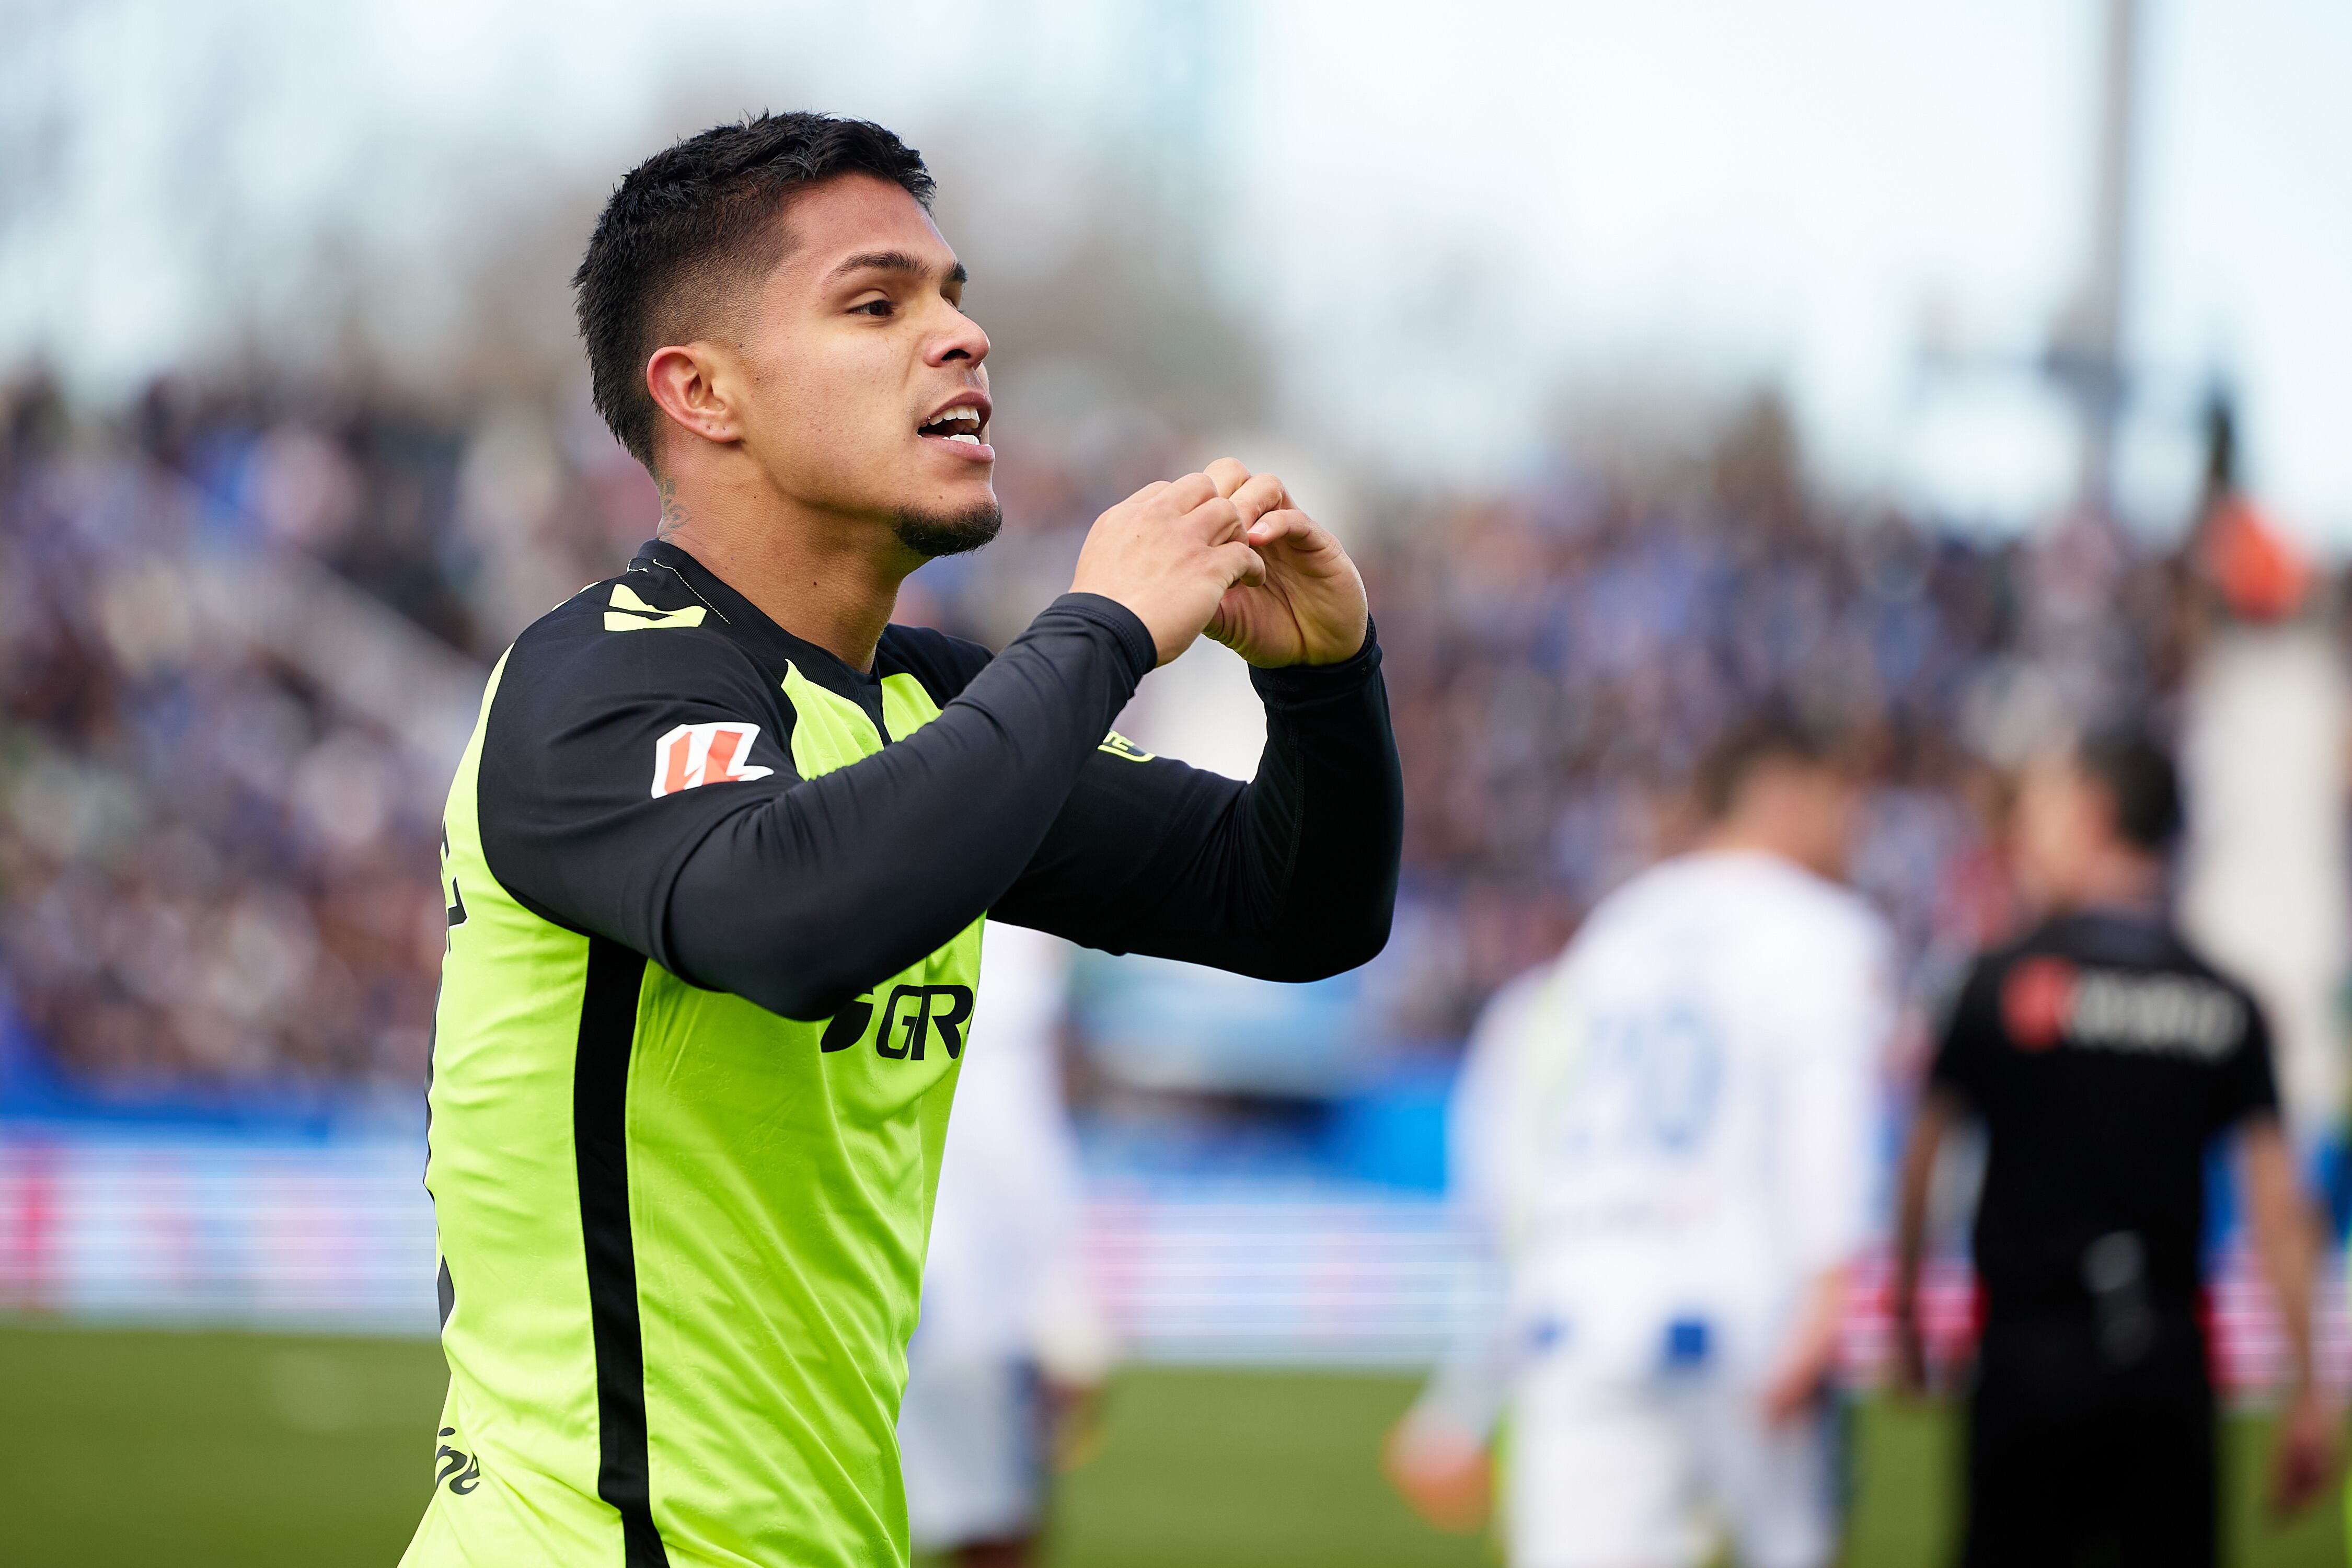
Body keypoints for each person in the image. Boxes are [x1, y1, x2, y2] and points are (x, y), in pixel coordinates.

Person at [401, 112, 1402, 1568]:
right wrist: (1102, 631)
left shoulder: (919, 712)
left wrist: (1323, 679)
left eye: (952, 294)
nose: (963, 338)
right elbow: (792, 919)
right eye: (878, 304)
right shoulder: (596, 680)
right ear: (701, 391)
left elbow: (1296, 908)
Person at [1388, 719, 1891, 1568]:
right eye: (1839, 803)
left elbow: (1538, 1150)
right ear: (1784, 794)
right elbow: (1828, 1125)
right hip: (1745, 1310)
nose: (1851, 827)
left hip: (1580, 1310)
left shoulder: (1624, 922)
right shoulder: (1821, 929)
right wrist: (1827, 1301)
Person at [1890, 728, 2337, 1568]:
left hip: (2029, 1355)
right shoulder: (2224, 1001)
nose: (2024, 832)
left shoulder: (1997, 982)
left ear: (2094, 816)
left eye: (2042, 810)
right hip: (2165, 1359)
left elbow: (1922, 1160)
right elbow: (2279, 1207)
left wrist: (1910, 1312)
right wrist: (2309, 1391)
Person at [898, 920, 1113, 1568]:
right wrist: (1068, 1318)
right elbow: (1019, 1166)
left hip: (892, 1286)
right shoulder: (1004, 1036)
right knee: (995, 1521)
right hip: (970, 1312)